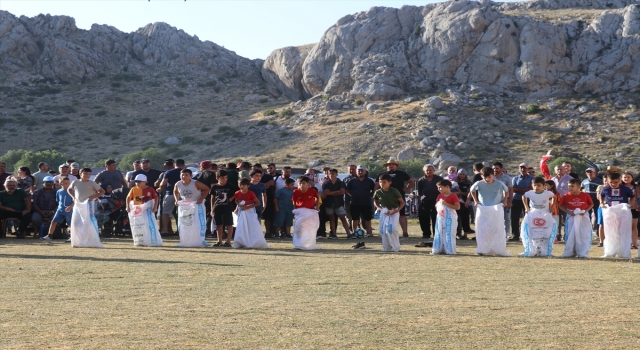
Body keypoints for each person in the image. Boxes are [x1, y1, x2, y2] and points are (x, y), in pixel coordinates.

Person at [468, 167, 510, 256]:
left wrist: (505, 200)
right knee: (483, 229)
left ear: (493, 175)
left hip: (496, 209)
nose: (487, 179)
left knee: (496, 228)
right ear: (481, 176)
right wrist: (475, 200)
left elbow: (506, 191)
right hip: (483, 208)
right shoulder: (479, 183)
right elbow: (472, 190)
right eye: (484, 177)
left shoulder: (499, 183)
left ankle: (497, 249)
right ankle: (483, 249)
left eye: (489, 177)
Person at [600, 171, 636, 258]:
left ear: (620, 181)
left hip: (622, 212)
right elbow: (601, 195)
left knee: (623, 231)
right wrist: (601, 203)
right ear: (608, 181)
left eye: (615, 182)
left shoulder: (625, 189)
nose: (613, 184)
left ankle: (623, 252)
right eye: (611, 182)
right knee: (610, 232)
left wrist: (631, 204)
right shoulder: (605, 189)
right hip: (610, 212)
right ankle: (610, 251)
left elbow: (632, 196)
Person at [376, 158, 413, 238]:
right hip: (385, 197)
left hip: (399, 196)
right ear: (386, 166)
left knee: (402, 215)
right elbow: (377, 185)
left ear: (396, 166)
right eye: (389, 164)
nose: (391, 166)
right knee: (386, 214)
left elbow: (410, 182)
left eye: (393, 164)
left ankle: (405, 233)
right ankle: (386, 232)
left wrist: (407, 189)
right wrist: (377, 194)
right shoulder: (382, 175)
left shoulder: (402, 173)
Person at [68, 168, 105, 247]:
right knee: (76, 223)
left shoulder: (92, 183)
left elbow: (102, 191)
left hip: (88, 205)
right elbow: (69, 189)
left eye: (89, 174)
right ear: (80, 174)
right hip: (78, 205)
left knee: (89, 222)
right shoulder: (76, 182)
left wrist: (93, 197)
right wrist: (73, 197)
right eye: (85, 173)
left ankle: (92, 239)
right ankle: (77, 240)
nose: (87, 175)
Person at [174, 168, 210, 247]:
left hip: (197, 206)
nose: (184, 176)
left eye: (186, 175)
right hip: (185, 206)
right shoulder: (178, 184)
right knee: (186, 223)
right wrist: (177, 200)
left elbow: (207, 189)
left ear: (190, 176)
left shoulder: (195, 183)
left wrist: (201, 199)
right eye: (182, 175)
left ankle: (200, 239)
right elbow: (175, 191)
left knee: (197, 223)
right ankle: (186, 239)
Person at [521, 177, 556, 256]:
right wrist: (526, 207)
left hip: (545, 215)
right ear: (532, 185)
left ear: (544, 186)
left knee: (545, 232)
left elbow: (554, 197)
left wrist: (552, 206)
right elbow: (524, 196)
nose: (536, 187)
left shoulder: (548, 193)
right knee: (532, 231)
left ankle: (544, 250)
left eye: (539, 185)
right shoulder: (530, 193)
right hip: (533, 214)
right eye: (535, 185)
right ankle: (532, 249)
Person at [559, 178, 594, 258]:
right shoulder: (566, 196)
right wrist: (569, 212)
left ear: (578, 187)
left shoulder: (585, 195)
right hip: (571, 216)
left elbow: (591, 204)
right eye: (569, 186)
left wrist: (585, 211)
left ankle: (583, 252)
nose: (570, 188)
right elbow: (560, 206)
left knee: (584, 234)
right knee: (571, 233)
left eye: (572, 186)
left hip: (583, 216)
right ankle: (571, 251)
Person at [126, 174, 162, 247]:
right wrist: (127, 207)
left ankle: (152, 240)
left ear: (144, 182)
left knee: (149, 224)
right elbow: (128, 198)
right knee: (138, 225)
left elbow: (156, 197)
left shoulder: (150, 189)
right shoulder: (134, 189)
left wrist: (155, 207)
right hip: (138, 211)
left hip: (147, 210)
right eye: (136, 182)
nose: (137, 183)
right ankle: (140, 240)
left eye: (139, 182)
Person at [232, 178, 269, 249]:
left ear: (248, 186)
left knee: (252, 226)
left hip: (250, 211)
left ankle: (253, 241)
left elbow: (257, 203)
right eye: (240, 185)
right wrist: (239, 206)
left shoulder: (251, 193)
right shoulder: (237, 193)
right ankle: (241, 241)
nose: (241, 186)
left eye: (243, 185)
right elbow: (236, 200)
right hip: (241, 211)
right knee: (241, 226)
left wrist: (247, 207)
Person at [373, 173, 404, 252]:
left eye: (384, 182)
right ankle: (386, 247)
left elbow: (402, 202)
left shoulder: (394, 191)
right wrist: (380, 208)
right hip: (384, 212)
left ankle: (396, 247)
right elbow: (375, 202)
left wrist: (397, 210)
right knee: (383, 230)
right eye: (380, 182)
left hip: (394, 211)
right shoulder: (378, 192)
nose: (382, 184)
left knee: (392, 229)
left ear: (390, 182)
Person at [346, 165, 376, 239]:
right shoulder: (352, 181)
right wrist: (354, 195)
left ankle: (369, 232)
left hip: (366, 203)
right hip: (354, 202)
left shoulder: (370, 181)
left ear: (365, 172)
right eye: (359, 170)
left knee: (367, 219)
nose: (360, 172)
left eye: (362, 170)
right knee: (355, 219)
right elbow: (348, 190)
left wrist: (369, 196)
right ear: (356, 171)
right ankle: (354, 232)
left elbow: (374, 190)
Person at [210, 169, 239, 247]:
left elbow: (238, 192)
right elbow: (212, 198)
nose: (224, 179)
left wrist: (232, 198)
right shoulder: (214, 187)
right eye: (222, 178)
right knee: (218, 224)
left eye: (226, 177)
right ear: (217, 178)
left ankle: (228, 242)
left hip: (228, 208)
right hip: (217, 207)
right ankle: (219, 241)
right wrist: (212, 209)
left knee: (229, 224)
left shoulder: (231, 186)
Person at [322, 168, 353, 239]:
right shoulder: (326, 183)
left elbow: (342, 192)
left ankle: (349, 234)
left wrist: (331, 193)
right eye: (330, 174)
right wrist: (337, 192)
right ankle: (333, 234)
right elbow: (326, 193)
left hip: (339, 203)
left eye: (333, 173)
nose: (331, 175)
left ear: (336, 174)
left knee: (342, 217)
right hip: (329, 203)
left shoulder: (341, 183)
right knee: (331, 218)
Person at [40, 177, 73, 243]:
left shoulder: (72, 191)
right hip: (60, 210)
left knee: (71, 224)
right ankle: (49, 236)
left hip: (69, 210)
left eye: (68, 183)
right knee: (53, 222)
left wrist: (70, 207)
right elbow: (58, 201)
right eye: (65, 183)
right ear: (61, 184)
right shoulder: (59, 191)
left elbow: (75, 200)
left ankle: (72, 237)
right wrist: (59, 208)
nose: (67, 184)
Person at [291, 176, 321, 250]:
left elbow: (317, 198)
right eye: (300, 183)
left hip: (310, 212)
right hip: (300, 212)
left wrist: (317, 207)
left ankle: (307, 243)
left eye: (303, 183)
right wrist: (295, 209)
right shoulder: (296, 191)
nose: (302, 185)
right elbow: (294, 201)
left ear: (307, 184)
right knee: (299, 228)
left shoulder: (312, 191)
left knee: (310, 227)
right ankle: (298, 244)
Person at [432, 179, 460, 255]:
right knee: (439, 231)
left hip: (450, 217)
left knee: (449, 232)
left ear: (447, 187)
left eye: (440, 187)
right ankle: (438, 248)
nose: (438, 189)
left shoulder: (453, 196)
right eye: (438, 187)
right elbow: (436, 205)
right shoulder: (440, 196)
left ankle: (450, 249)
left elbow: (457, 207)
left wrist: (446, 204)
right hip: (441, 217)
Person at [417, 164, 443, 239]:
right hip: (425, 201)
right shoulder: (421, 180)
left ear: (434, 171)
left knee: (436, 217)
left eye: (430, 170)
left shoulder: (439, 179)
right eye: (427, 170)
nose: (428, 172)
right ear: (424, 171)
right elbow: (420, 192)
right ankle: (426, 233)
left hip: (437, 201)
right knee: (424, 218)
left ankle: (437, 234)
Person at [159, 159, 185, 235]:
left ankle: (165, 230)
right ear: (183, 165)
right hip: (183, 194)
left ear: (174, 165)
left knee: (165, 213)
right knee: (181, 213)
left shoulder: (168, 172)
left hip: (170, 193)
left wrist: (160, 188)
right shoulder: (185, 172)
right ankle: (181, 230)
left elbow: (163, 183)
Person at [510, 163, 534, 241]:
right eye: (521, 168)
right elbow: (513, 189)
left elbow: (531, 188)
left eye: (524, 168)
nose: (523, 169)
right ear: (519, 169)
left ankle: (528, 234)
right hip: (516, 200)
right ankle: (515, 235)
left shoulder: (532, 178)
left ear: (527, 169)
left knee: (528, 217)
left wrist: (519, 190)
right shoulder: (515, 178)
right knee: (514, 218)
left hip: (528, 200)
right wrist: (525, 190)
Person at [195, 161, 218, 236]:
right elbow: (213, 186)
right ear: (210, 167)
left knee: (202, 214)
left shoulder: (198, 175)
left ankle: (202, 230)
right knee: (210, 214)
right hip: (210, 196)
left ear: (201, 167)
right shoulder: (212, 174)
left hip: (200, 197)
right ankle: (209, 230)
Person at [493, 162, 513, 240]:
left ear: (501, 169)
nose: (495, 170)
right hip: (494, 201)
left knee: (506, 217)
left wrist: (510, 201)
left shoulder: (507, 178)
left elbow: (511, 190)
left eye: (497, 168)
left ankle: (507, 232)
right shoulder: (491, 177)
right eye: (494, 168)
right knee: (494, 218)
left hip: (505, 200)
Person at [580, 167, 603, 235]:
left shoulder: (599, 181)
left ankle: (598, 232)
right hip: (587, 201)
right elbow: (581, 190)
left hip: (596, 200)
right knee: (587, 215)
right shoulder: (584, 181)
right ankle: (587, 231)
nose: (589, 173)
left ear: (595, 173)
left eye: (591, 172)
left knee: (597, 215)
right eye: (588, 172)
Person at [621, 172, 638, 248]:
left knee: (633, 226)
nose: (626, 179)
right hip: (622, 209)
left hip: (634, 208)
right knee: (623, 226)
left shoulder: (636, 187)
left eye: (628, 177)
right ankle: (624, 243)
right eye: (625, 177)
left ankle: (634, 244)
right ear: (621, 178)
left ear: (632, 178)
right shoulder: (619, 187)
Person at [455, 169, 473, 239]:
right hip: (456, 203)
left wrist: (460, 193)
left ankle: (465, 234)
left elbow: (469, 193)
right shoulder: (455, 183)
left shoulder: (468, 183)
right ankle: (457, 233)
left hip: (465, 203)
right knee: (456, 218)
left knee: (465, 218)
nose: (462, 176)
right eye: (460, 174)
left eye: (463, 174)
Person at [262, 163, 278, 238]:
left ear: (275, 168)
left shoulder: (279, 176)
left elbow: (271, 185)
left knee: (275, 216)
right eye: (268, 168)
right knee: (267, 217)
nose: (269, 169)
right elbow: (267, 185)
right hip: (267, 197)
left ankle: (275, 232)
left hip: (276, 198)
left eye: (271, 168)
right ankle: (268, 232)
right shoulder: (264, 176)